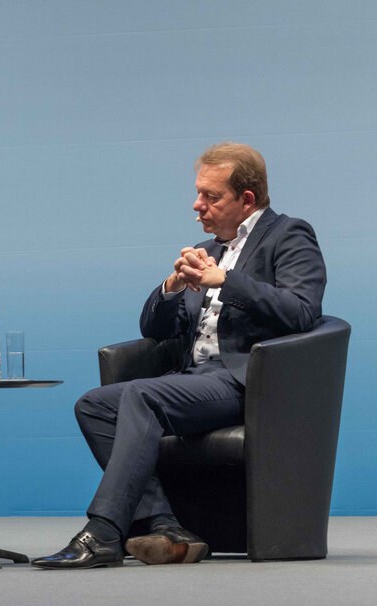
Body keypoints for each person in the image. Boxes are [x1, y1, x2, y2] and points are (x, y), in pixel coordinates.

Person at [32, 143, 327, 569]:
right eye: (198, 193)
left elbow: (302, 311)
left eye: (211, 196)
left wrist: (226, 281)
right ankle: (167, 527)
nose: (197, 205)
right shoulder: (210, 247)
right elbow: (152, 331)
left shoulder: (288, 234)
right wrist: (172, 287)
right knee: (95, 405)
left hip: (245, 378)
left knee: (140, 396)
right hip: (194, 376)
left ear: (247, 199)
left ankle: (101, 533)